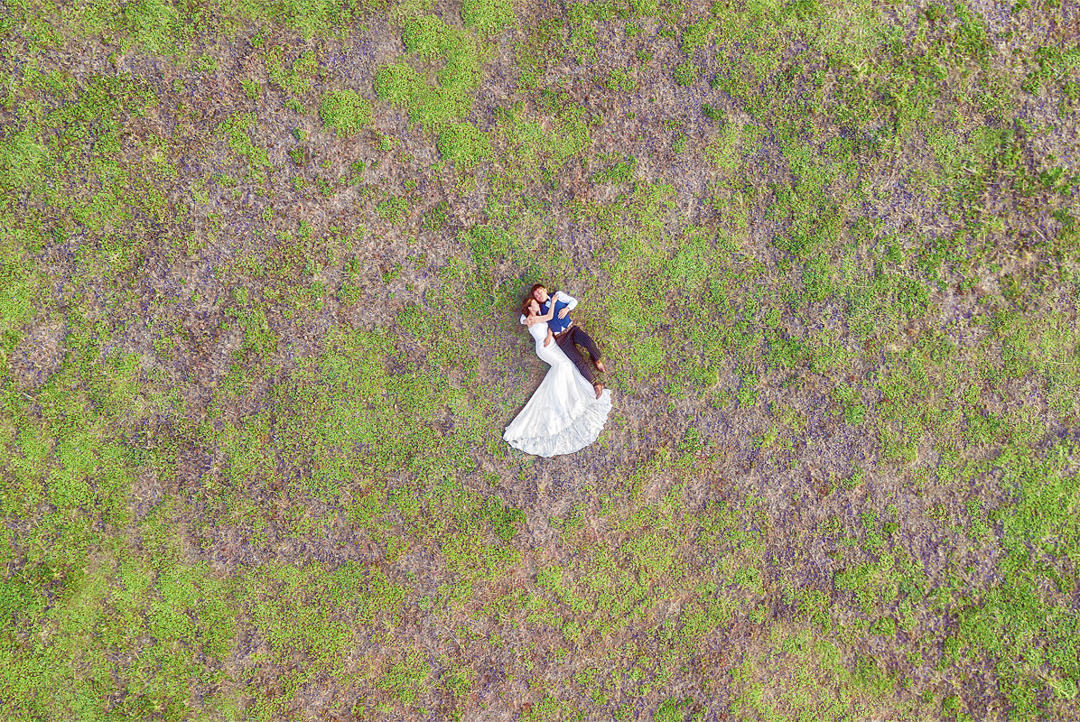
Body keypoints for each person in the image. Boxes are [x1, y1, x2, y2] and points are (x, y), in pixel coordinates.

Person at [503, 296, 613, 458]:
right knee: (564, 366)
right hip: (544, 348)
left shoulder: (540, 313)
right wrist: (551, 304)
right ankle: (564, 398)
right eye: (534, 303)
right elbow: (545, 319)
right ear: (530, 307)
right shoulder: (528, 318)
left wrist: (549, 335)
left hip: (552, 343)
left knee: (568, 365)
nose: (537, 304)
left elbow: (549, 324)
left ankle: (574, 391)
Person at [518, 284, 607, 399]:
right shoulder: (538, 310)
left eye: (540, 292)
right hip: (561, 339)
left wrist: (567, 308)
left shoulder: (558, 295)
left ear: (545, 290)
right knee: (577, 360)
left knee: (588, 342)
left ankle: (596, 359)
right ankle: (595, 383)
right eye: (536, 296)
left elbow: (573, 301)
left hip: (572, 329)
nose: (539, 296)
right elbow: (545, 322)